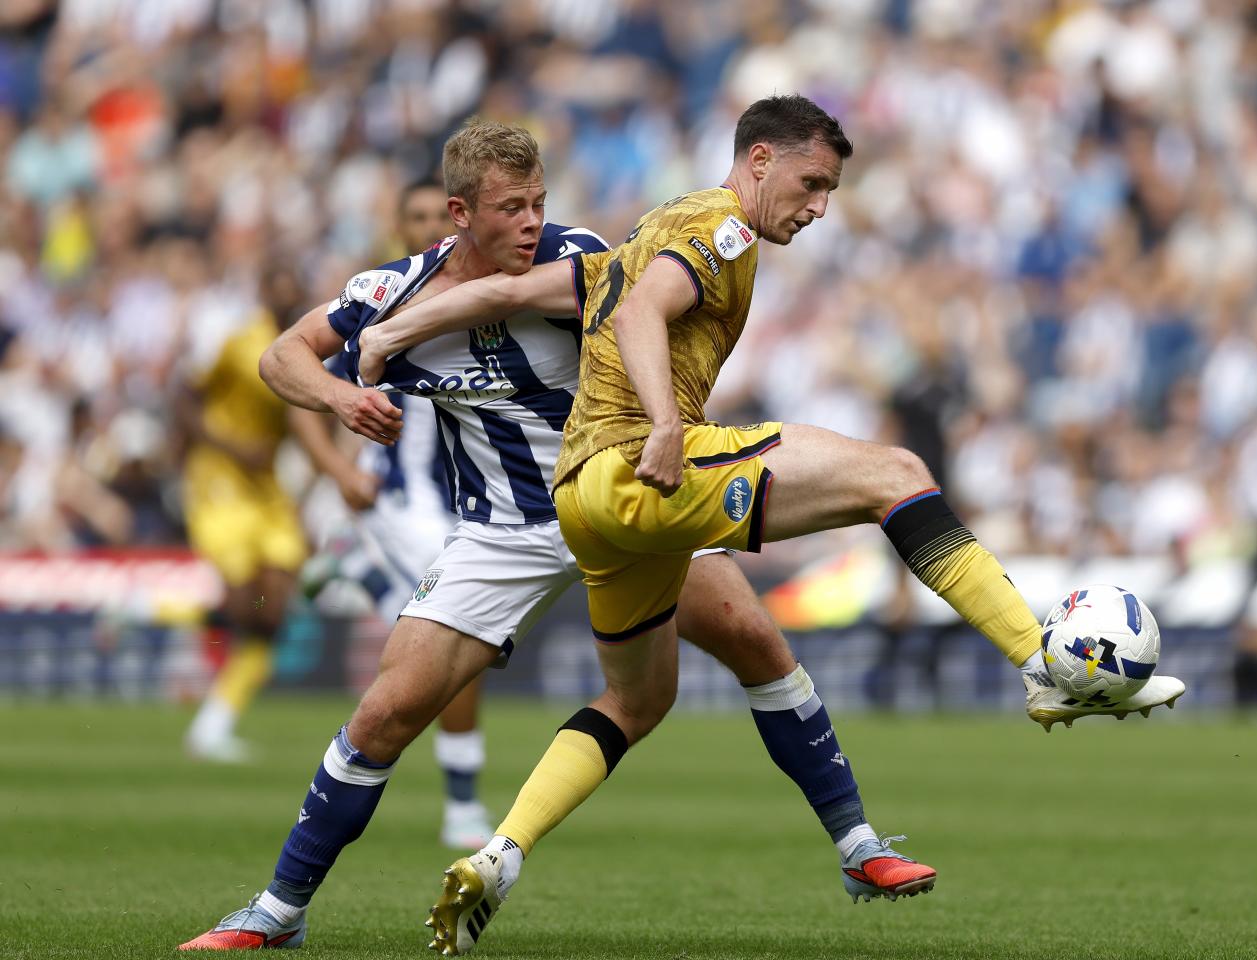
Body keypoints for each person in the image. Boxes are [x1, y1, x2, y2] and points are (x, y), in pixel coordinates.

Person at [354, 95, 1187, 956]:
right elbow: (642, 315)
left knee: (640, 699)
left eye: (830, 191)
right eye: (811, 182)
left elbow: (515, 288)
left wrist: (391, 334)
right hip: (639, 467)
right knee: (895, 475)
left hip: (585, 502)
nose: (819, 206)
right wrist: (666, 425)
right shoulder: (723, 229)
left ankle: (500, 855)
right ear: (758, 160)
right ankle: (1038, 660)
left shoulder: (656, 224)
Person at [178, 118, 930, 951]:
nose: (533, 221)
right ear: (459, 213)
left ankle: (859, 846)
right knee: (385, 713)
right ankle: (279, 911)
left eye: (538, 201)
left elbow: (652, 329)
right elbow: (283, 356)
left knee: (754, 637)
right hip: (502, 529)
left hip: (621, 496)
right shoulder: (392, 292)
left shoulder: (580, 261)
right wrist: (339, 400)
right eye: (511, 208)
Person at [289, 177, 493, 850]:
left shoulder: (496, 290)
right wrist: (338, 469)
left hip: (473, 501)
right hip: (403, 501)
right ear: (400, 226)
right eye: (418, 216)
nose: (432, 224)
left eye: (442, 213)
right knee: (460, 635)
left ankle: (357, 575)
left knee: (462, 639)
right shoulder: (379, 299)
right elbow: (300, 387)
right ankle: (462, 804)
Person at [179, 262, 310, 762]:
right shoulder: (237, 343)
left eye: (292, 290)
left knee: (270, 609)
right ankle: (149, 611)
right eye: (277, 289)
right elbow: (185, 400)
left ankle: (214, 723)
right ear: (263, 293)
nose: (285, 299)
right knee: (241, 604)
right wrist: (232, 449)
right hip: (222, 482)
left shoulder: (308, 346)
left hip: (268, 489)